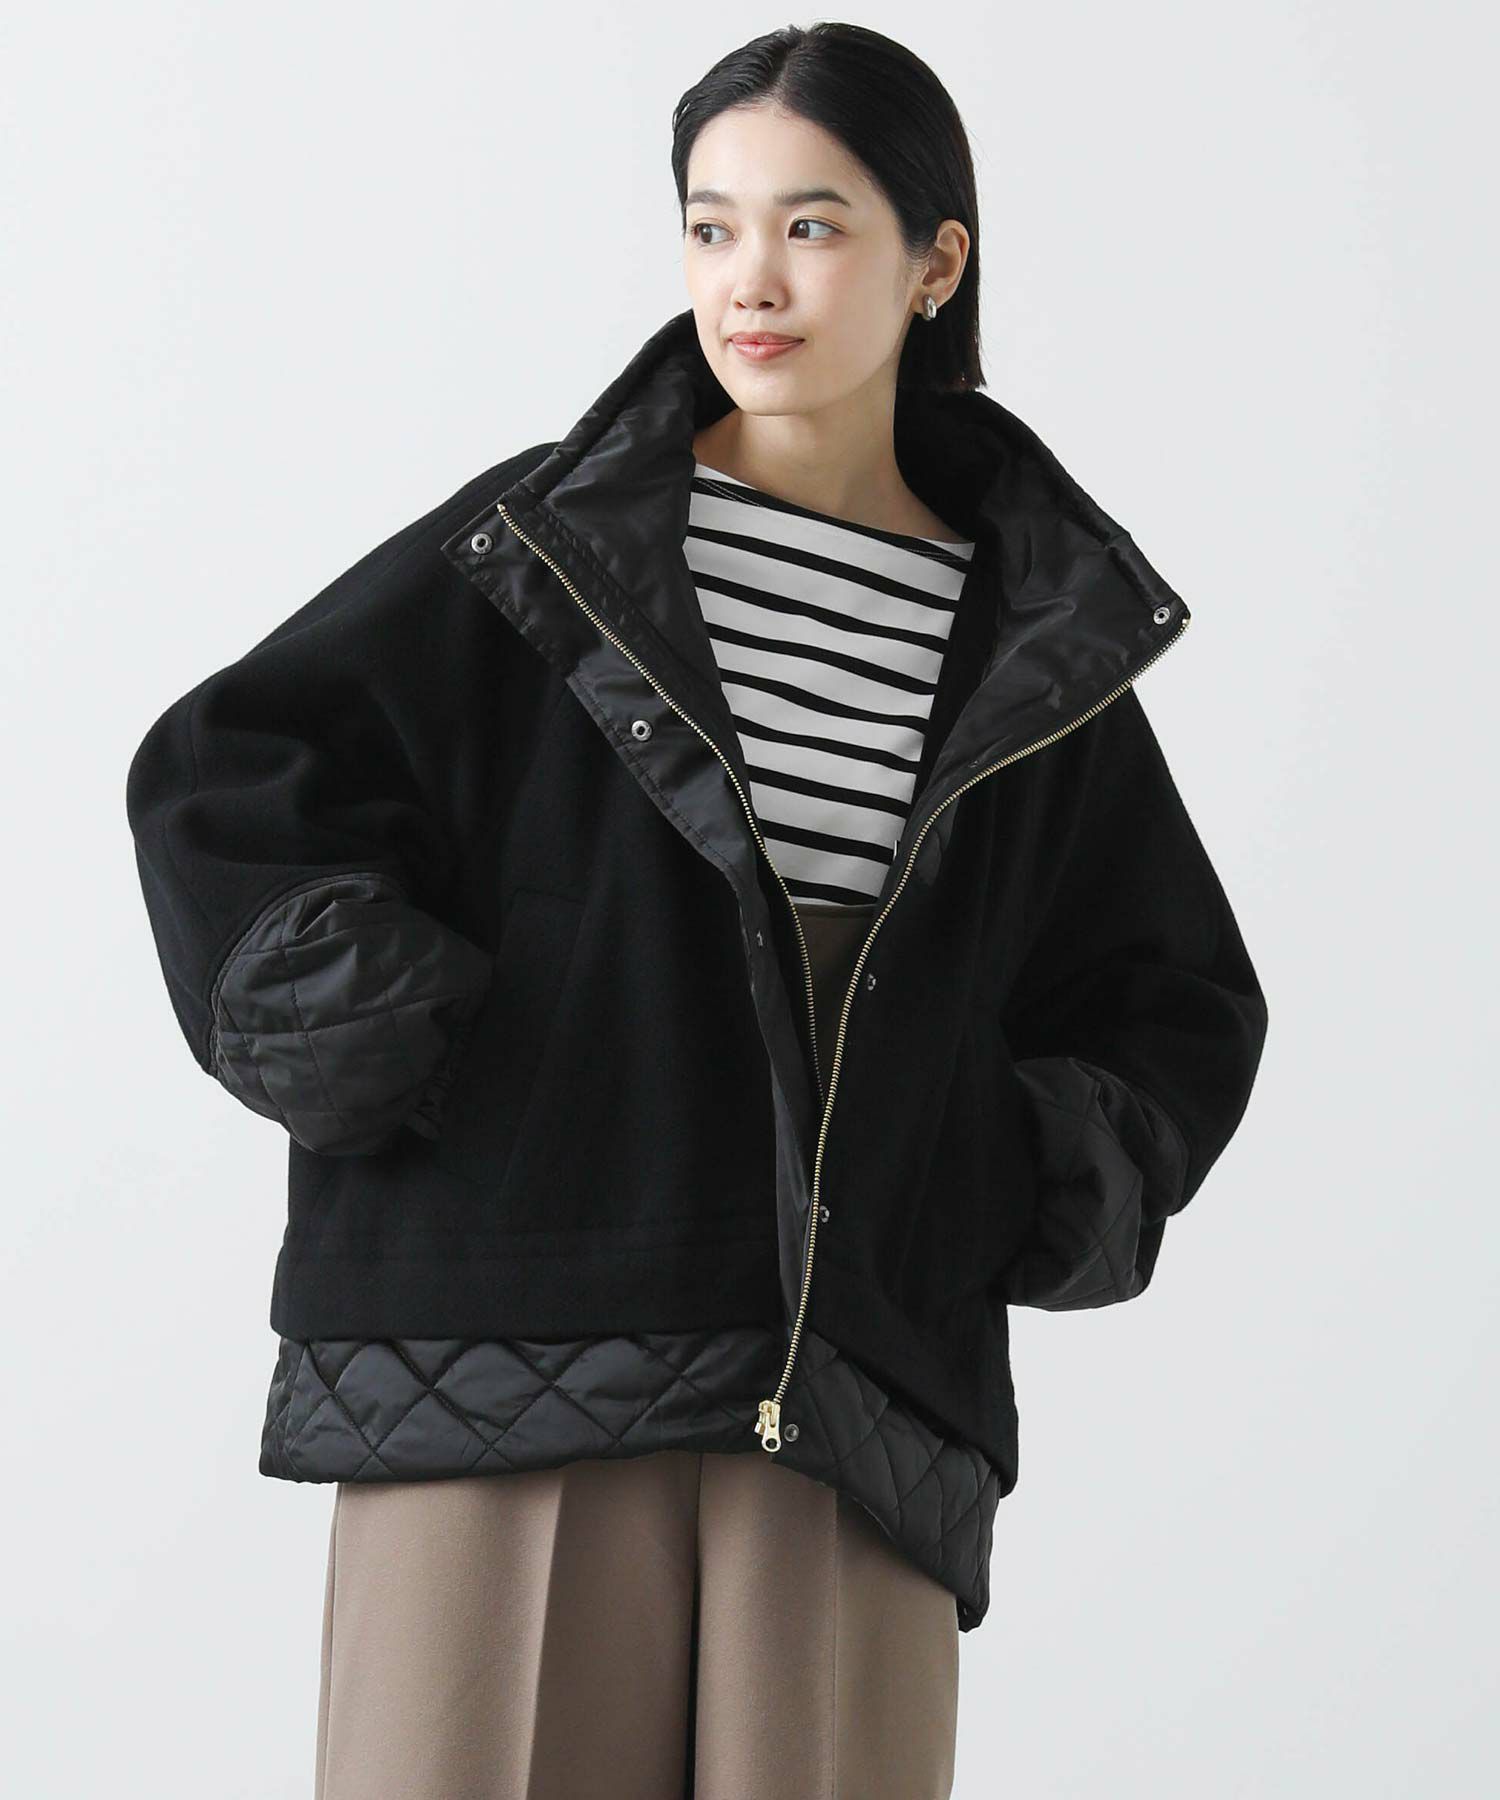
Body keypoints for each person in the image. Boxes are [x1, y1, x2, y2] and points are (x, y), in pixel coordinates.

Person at [124, 21, 1269, 1800]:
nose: (752, 279)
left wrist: (989, 1170)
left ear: (935, 261)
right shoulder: (546, 547)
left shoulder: (1031, 648)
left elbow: (1173, 999)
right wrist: (415, 1043)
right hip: (504, 1364)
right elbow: (228, 775)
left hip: (853, 1416)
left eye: (812, 225)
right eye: (711, 225)